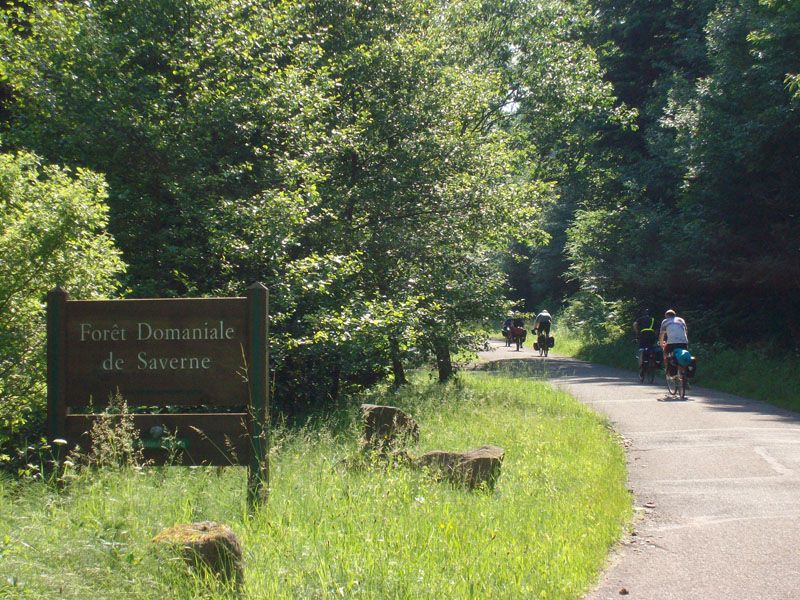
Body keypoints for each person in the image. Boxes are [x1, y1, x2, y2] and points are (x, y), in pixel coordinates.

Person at [659, 309, 688, 374]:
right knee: (683, 355)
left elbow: (661, 334)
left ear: (666, 316)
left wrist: (661, 344)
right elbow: (686, 331)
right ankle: (683, 372)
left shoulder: (665, 321)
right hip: (684, 342)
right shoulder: (681, 320)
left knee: (665, 352)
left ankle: (667, 369)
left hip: (672, 343)